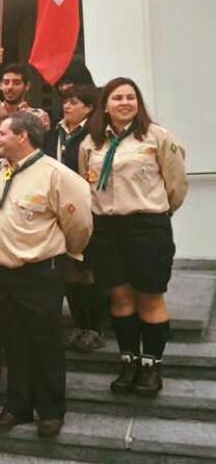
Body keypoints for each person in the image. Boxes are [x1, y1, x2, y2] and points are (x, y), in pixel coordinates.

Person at [79, 78, 188, 397]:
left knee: (150, 296)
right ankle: (129, 361)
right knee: (120, 296)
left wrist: (157, 213)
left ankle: (151, 364)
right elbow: (87, 183)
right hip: (107, 229)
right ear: (106, 105)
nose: (125, 102)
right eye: (117, 98)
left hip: (147, 226)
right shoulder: (92, 143)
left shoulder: (157, 137)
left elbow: (176, 184)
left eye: (131, 97)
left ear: (138, 103)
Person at [0, 112, 92, 437]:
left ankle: (50, 410)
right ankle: (17, 405)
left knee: (44, 341)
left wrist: (64, 254)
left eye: (2, 133)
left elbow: (80, 226)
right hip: (3, 275)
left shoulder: (56, 175)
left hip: (40, 272)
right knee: (13, 342)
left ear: (23, 136)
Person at [45, 85, 104, 353]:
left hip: (88, 210)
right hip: (58, 211)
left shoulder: (95, 135)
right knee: (69, 270)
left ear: (89, 107)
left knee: (88, 271)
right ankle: (78, 324)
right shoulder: (53, 134)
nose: (67, 106)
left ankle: (95, 328)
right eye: (65, 102)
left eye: (74, 102)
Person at [0, 64, 51, 132]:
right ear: (0, 86)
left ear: (27, 86)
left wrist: (6, 117)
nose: (10, 87)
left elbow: (34, 139)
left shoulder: (38, 115)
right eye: (6, 83)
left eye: (16, 83)